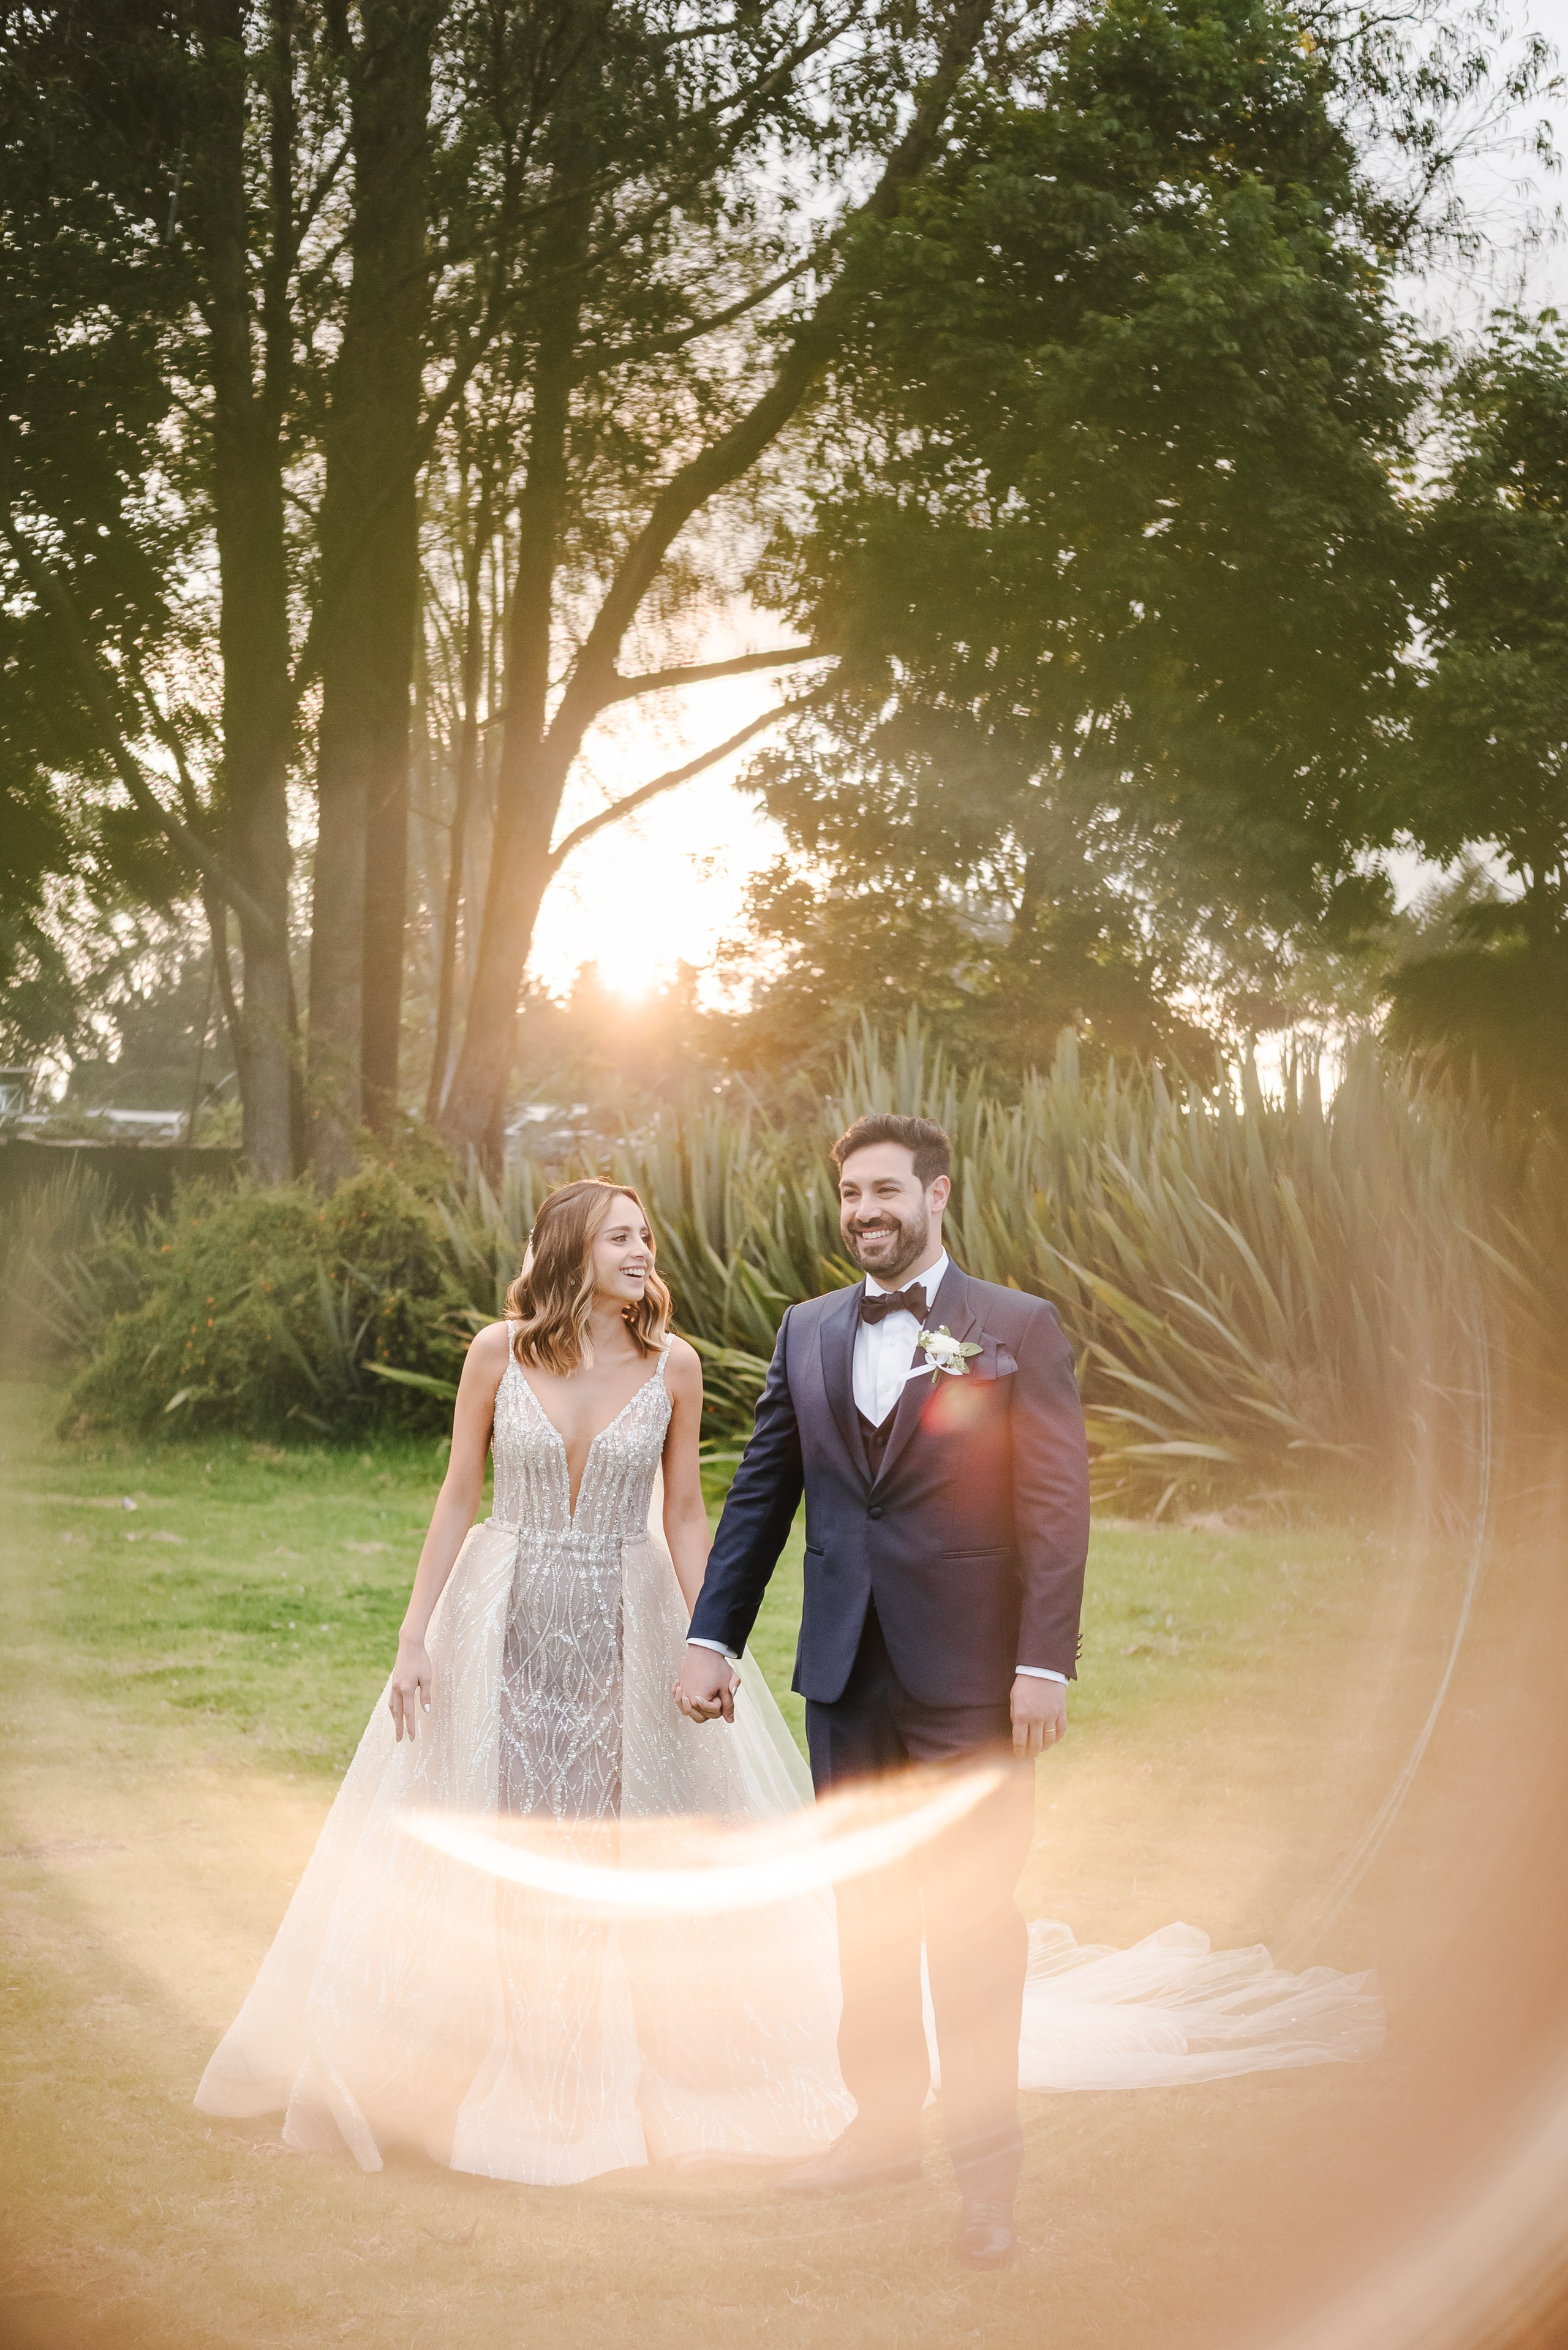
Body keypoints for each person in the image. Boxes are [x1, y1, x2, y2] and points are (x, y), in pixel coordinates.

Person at [195, 1179, 848, 2183]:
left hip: (626, 1624)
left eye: (645, 1235)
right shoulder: (496, 1354)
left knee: (606, 1839)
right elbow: (459, 1495)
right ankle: (472, 2059)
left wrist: (708, 1636)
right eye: (621, 1236)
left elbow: (682, 1513)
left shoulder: (674, 1367)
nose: (642, 1251)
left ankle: (594, 2072)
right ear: (572, 1251)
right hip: (501, 1613)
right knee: (498, 1829)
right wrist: (414, 1636)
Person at [677, 1112, 1090, 2268]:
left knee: (970, 1926)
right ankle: (878, 2134)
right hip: (843, 1678)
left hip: (972, 1686)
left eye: (887, 1192)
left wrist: (1042, 1663)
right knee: (864, 1916)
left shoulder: (1015, 1328)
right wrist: (713, 1636)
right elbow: (763, 1495)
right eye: (852, 1193)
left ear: (939, 1194)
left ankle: (986, 2180)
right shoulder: (805, 1330)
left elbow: (1056, 1510)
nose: (866, 1212)